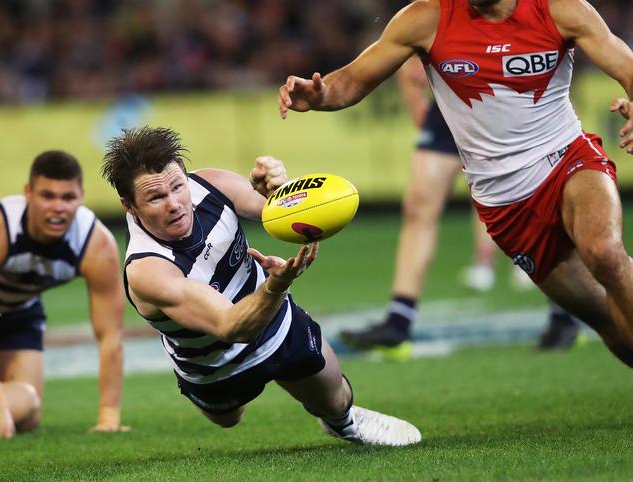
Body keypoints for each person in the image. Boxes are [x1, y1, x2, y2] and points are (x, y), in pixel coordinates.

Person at [279, 0, 633, 367]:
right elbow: (351, 81)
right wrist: (318, 94)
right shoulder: (425, 18)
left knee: (605, 252)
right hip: (504, 203)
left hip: (568, 160)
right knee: (609, 321)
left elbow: (626, 65)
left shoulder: (561, 8)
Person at [99, 126, 421, 446]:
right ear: (129, 205)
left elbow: (279, 212)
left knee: (336, 399)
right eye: (156, 197)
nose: (174, 204)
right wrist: (275, 287)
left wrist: (279, 189)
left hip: (275, 322)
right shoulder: (147, 270)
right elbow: (232, 326)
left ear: (185, 176)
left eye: (177, 187)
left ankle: (344, 423)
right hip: (212, 363)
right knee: (229, 418)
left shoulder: (212, 185)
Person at [338, 55, 580, 352]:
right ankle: (398, 322)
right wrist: (416, 100)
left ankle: (565, 313)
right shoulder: (433, 11)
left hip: (504, 108)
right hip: (450, 109)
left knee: (532, 211)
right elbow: (404, 46)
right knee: (418, 205)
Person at [0, 151, 127, 439]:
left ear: (82, 197)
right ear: (28, 193)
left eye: (68, 197)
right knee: (3, 406)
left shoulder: (96, 245)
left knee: (28, 407)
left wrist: (108, 417)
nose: (58, 207)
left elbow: (110, 335)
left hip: (19, 312)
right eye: (47, 196)